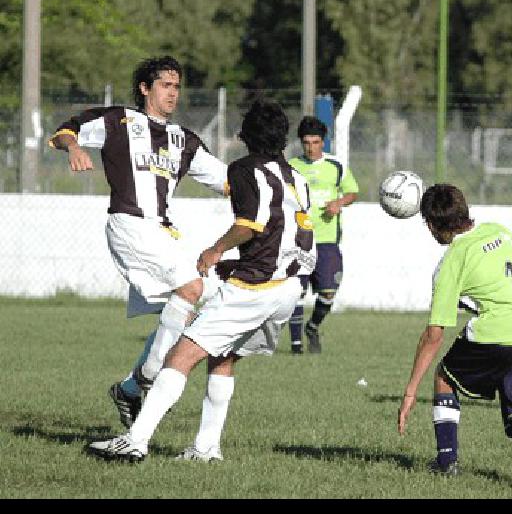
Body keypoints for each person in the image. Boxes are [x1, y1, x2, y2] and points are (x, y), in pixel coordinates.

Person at [87, 99, 316, 462]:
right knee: (223, 360)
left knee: (181, 356)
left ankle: (135, 440)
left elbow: (249, 225)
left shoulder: (244, 169)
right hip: (288, 288)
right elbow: (283, 233)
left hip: (254, 289)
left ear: (244, 136)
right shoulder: (297, 178)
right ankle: (206, 448)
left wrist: (215, 252)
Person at [49, 56, 229, 428]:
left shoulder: (183, 140)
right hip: (129, 223)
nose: (172, 93)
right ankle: (146, 380)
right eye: (165, 84)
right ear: (145, 88)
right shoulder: (119, 121)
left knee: (195, 310)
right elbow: (66, 130)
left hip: (163, 232)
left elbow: (227, 181)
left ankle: (131, 388)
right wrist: (74, 147)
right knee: (193, 288)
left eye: (177, 86)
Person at [397, 184, 512, 488]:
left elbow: (434, 333)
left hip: (495, 332)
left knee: (446, 377)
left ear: (431, 226)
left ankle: (446, 462)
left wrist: (410, 391)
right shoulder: (498, 230)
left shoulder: (452, 260)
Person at [287, 116, 359, 354]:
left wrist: (339, 203)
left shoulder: (335, 166)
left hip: (327, 240)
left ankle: (313, 326)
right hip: (299, 240)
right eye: (306, 142)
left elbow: (352, 192)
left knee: (328, 292)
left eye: (315, 142)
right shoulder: (292, 167)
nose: (310, 147)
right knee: (296, 292)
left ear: (323, 142)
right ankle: (296, 347)